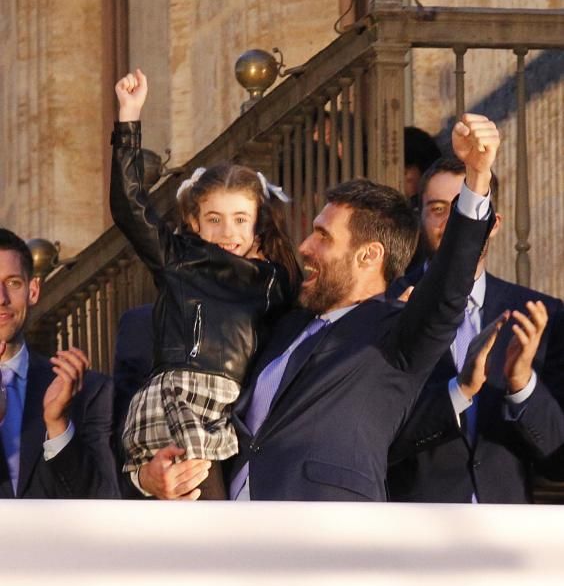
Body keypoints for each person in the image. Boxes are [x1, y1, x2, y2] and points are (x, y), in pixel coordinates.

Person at [139, 113, 500, 501]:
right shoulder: (283, 324)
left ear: (368, 256)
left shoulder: (395, 332)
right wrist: (147, 476)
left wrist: (477, 179)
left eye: (323, 237)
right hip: (235, 536)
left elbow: (447, 288)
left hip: (326, 536)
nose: (305, 247)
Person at [111, 69, 300, 500]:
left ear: (257, 226)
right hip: (181, 397)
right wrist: (129, 119)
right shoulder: (181, 259)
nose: (227, 232)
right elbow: (129, 208)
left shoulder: (273, 283)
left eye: (240, 220)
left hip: (230, 411)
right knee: (204, 507)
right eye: (214, 220)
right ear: (195, 222)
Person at [387, 157, 564, 503]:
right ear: (420, 218)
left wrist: (522, 384)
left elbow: (558, 459)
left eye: (467, 208)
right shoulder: (388, 306)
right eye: (438, 209)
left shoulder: (544, 315)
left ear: (494, 223)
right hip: (413, 525)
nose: (454, 221)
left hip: (505, 532)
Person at [0, 228, 119, 498]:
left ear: (33, 290)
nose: (1, 299)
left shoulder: (90, 390)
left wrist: (58, 425)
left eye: (13, 283)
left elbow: (104, 502)